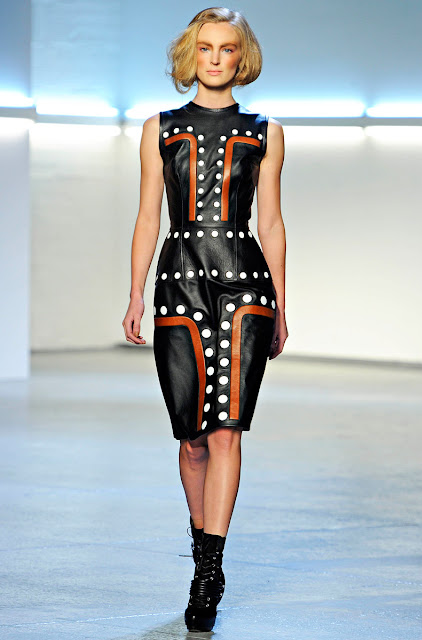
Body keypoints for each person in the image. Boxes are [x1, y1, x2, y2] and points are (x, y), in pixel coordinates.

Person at [122, 6, 287, 633]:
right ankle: (201, 550)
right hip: (179, 283)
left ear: (243, 58)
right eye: (206, 47)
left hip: (245, 288)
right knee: (191, 438)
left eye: (228, 48)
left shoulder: (266, 132)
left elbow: (271, 223)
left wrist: (282, 305)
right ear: (191, 54)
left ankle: (209, 573)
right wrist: (135, 294)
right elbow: (148, 216)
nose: (216, 58)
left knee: (227, 433)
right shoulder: (159, 129)